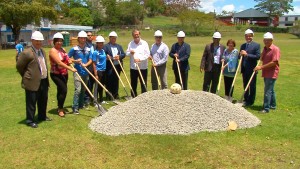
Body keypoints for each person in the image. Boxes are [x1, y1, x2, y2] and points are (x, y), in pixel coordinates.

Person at [16, 31, 51, 128]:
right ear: (32, 40)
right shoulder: (26, 53)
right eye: (37, 41)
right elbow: (19, 66)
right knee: (31, 102)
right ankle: (30, 120)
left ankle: (42, 116)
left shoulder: (42, 51)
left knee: (43, 100)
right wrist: (27, 75)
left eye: (40, 41)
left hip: (43, 80)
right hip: (32, 81)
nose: (39, 43)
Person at [49, 32, 77, 117]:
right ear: (54, 41)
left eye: (61, 41)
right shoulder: (52, 51)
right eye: (57, 41)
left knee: (60, 90)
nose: (59, 42)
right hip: (56, 74)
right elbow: (59, 62)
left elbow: (67, 59)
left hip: (64, 73)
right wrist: (71, 69)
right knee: (64, 90)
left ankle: (59, 106)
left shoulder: (63, 49)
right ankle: (60, 109)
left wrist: (74, 61)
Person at [254, 32, 280, 113]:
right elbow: (262, 59)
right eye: (265, 40)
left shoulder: (275, 49)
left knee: (267, 91)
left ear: (272, 40)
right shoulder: (265, 49)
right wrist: (262, 56)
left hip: (272, 73)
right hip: (266, 72)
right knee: (271, 90)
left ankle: (266, 108)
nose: (266, 42)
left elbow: (274, 62)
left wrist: (261, 67)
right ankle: (273, 105)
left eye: (268, 40)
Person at [68, 31, 92, 114]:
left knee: (83, 90)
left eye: (84, 38)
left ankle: (81, 104)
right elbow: (67, 59)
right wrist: (75, 61)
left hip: (85, 72)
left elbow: (91, 60)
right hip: (77, 72)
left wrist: (86, 65)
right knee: (78, 90)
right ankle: (75, 107)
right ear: (78, 39)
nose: (83, 39)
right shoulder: (74, 49)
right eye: (81, 38)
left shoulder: (88, 49)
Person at [126, 29, 150, 97]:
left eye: (137, 34)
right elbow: (127, 53)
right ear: (133, 36)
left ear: (139, 34)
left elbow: (147, 54)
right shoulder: (130, 43)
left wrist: (140, 59)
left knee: (143, 83)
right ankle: (133, 97)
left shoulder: (144, 43)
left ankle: (144, 97)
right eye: (135, 35)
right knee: (133, 83)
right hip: (133, 67)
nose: (136, 36)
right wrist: (130, 52)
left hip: (143, 67)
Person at [240, 29, 260, 107]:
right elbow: (240, 56)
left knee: (252, 85)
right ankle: (246, 99)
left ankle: (251, 101)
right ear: (245, 36)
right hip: (244, 69)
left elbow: (258, 56)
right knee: (245, 85)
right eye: (247, 36)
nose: (248, 37)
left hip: (252, 69)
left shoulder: (256, 45)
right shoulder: (243, 45)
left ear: (252, 36)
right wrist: (240, 54)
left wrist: (247, 54)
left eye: (250, 36)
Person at [103, 31, 126, 99]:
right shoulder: (106, 46)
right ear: (109, 38)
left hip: (117, 66)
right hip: (109, 66)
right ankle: (109, 95)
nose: (114, 39)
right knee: (109, 80)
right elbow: (103, 54)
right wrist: (107, 57)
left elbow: (123, 54)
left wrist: (119, 56)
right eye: (112, 38)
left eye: (115, 38)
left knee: (116, 80)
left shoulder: (119, 46)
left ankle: (115, 94)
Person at [93, 36, 106, 104]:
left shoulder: (103, 51)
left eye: (102, 43)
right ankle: (95, 100)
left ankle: (101, 99)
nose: (100, 44)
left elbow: (103, 59)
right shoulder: (95, 52)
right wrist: (95, 74)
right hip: (98, 70)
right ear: (97, 44)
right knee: (97, 86)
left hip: (104, 70)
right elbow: (94, 63)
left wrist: (108, 57)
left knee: (102, 85)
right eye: (99, 43)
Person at [84, 31, 95, 105]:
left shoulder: (94, 45)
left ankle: (92, 97)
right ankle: (87, 98)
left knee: (93, 81)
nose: (90, 36)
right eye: (88, 35)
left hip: (94, 65)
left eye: (91, 35)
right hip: (87, 65)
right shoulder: (84, 45)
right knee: (88, 83)